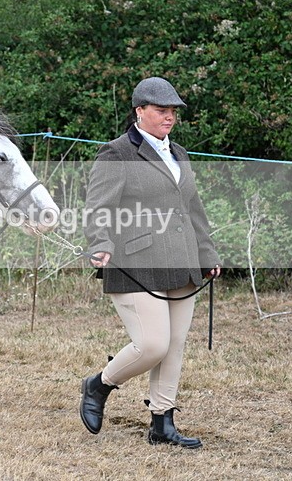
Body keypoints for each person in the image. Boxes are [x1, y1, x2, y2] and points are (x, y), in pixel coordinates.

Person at [80, 77, 221, 449]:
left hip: (183, 260)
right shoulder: (116, 153)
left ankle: (163, 424)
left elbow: (193, 207)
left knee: (173, 346)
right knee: (153, 344)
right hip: (134, 262)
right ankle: (99, 384)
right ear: (139, 111)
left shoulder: (180, 154)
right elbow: (98, 207)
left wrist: (207, 253)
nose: (169, 117)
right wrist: (100, 242)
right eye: (161, 110)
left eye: (173, 111)